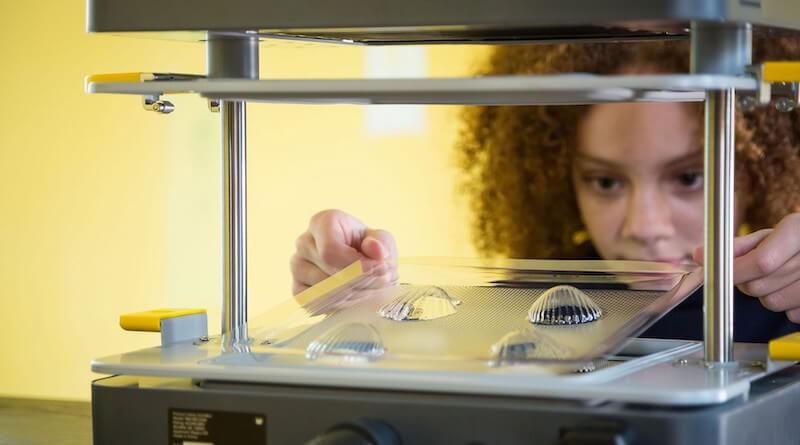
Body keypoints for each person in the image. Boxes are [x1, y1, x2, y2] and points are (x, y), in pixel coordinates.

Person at [290, 38, 800, 342]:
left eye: (689, 177)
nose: (644, 227)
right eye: (605, 181)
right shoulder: (514, 313)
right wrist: (364, 311)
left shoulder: (789, 310)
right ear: (556, 178)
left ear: (761, 171)